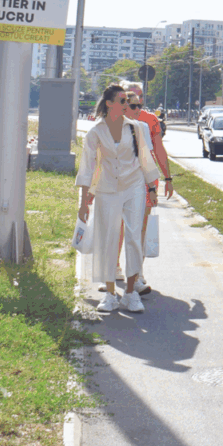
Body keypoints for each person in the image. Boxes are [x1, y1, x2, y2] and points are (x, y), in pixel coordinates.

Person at [77, 85, 162, 313]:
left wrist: (153, 188)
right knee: (108, 239)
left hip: (133, 186)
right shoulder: (95, 132)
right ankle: (111, 295)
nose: (128, 105)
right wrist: (85, 201)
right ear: (109, 104)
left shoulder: (135, 128)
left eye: (128, 101)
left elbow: (145, 159)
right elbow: (87, 168)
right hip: (107, 189)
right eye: (123, 101)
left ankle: (132, 293)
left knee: (134, 237)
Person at [123, 85, 172, 295]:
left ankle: (137, 275)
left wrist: (166, 177)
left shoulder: (148, 122)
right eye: (132, 100)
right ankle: (113, 271)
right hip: (117, 184)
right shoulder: (109, 122)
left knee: (139, 230)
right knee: (117, 230)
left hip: (143, 181)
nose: (137, 104)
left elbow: (156, 150)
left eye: (140, 99)